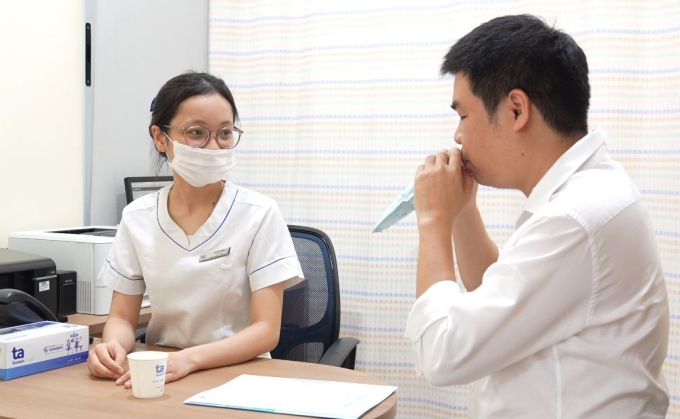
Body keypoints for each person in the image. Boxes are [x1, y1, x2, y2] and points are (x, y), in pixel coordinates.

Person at [405, 15, 669, 418]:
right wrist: (461, 210)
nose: (457, 136)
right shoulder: (588, 193)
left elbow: (441, 352)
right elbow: (492, 293)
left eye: (463, 115)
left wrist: (432, 221)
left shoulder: (576, 219)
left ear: (515, 109)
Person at [87, 72, 303, 387]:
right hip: (164, 372)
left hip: (239, 374)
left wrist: (189, 359)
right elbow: (122, 317)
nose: (214, 146)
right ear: (161, 138)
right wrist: (112, 349)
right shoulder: (138, 218)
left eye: (225, 133)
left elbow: (266, 331)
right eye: (197, 132)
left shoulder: (258, 213)